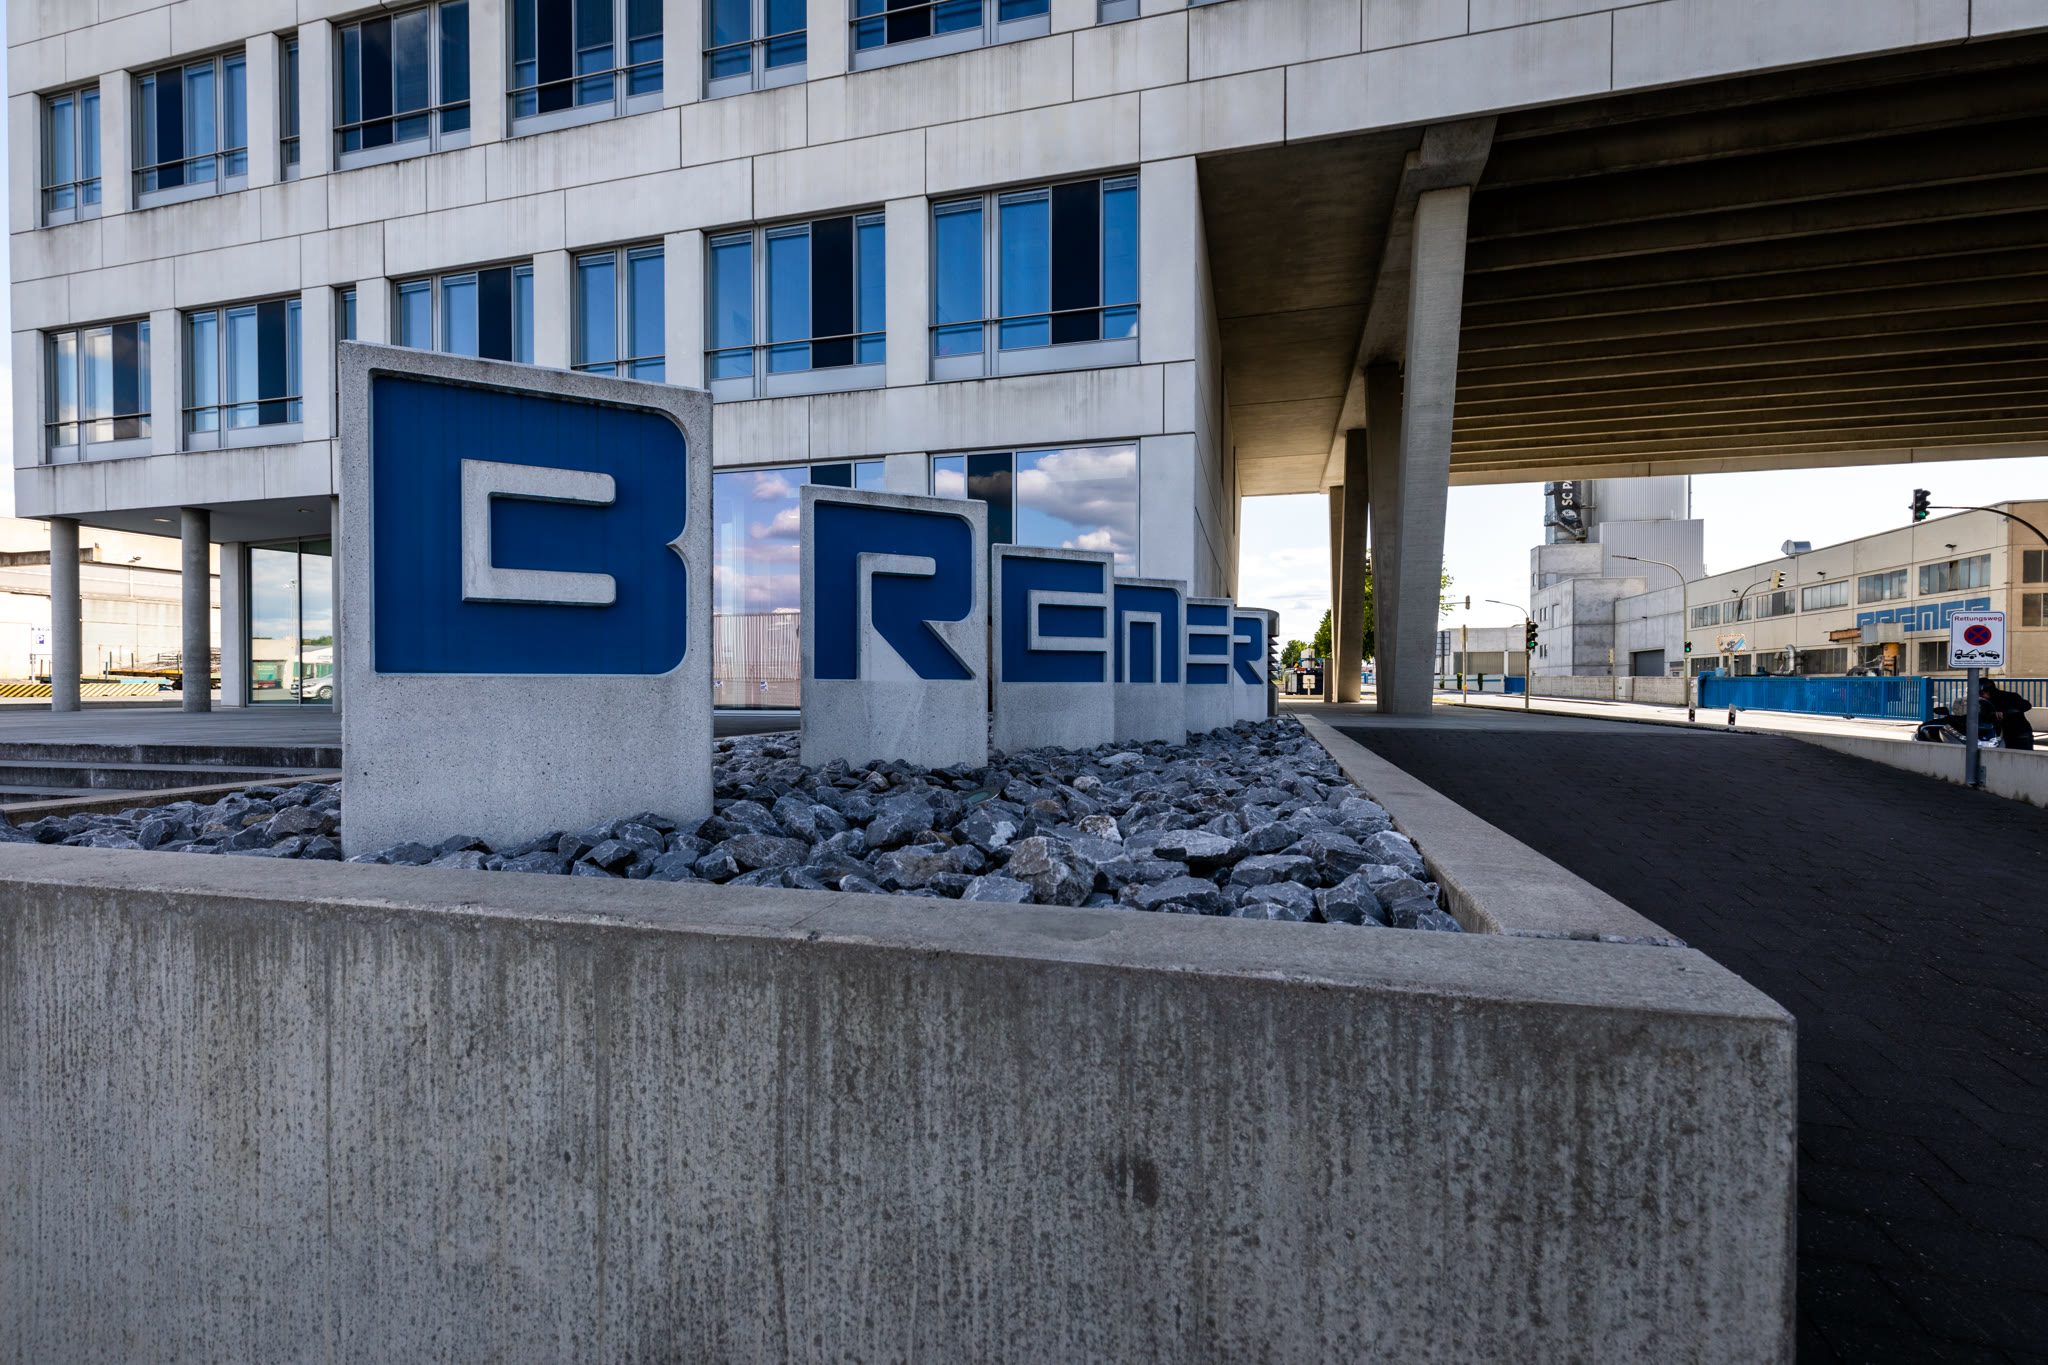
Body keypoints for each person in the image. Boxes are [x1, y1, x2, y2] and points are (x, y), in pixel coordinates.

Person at [1978, 677, 2036, 750]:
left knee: (2023, 754)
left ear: (1989, 691)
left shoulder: (2009, 696)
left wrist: (2006, 712)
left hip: (2019, 733)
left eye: (1981, 693)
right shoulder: (1983, 703)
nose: (1980, 696)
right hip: (2000, 735)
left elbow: (2026, 705)